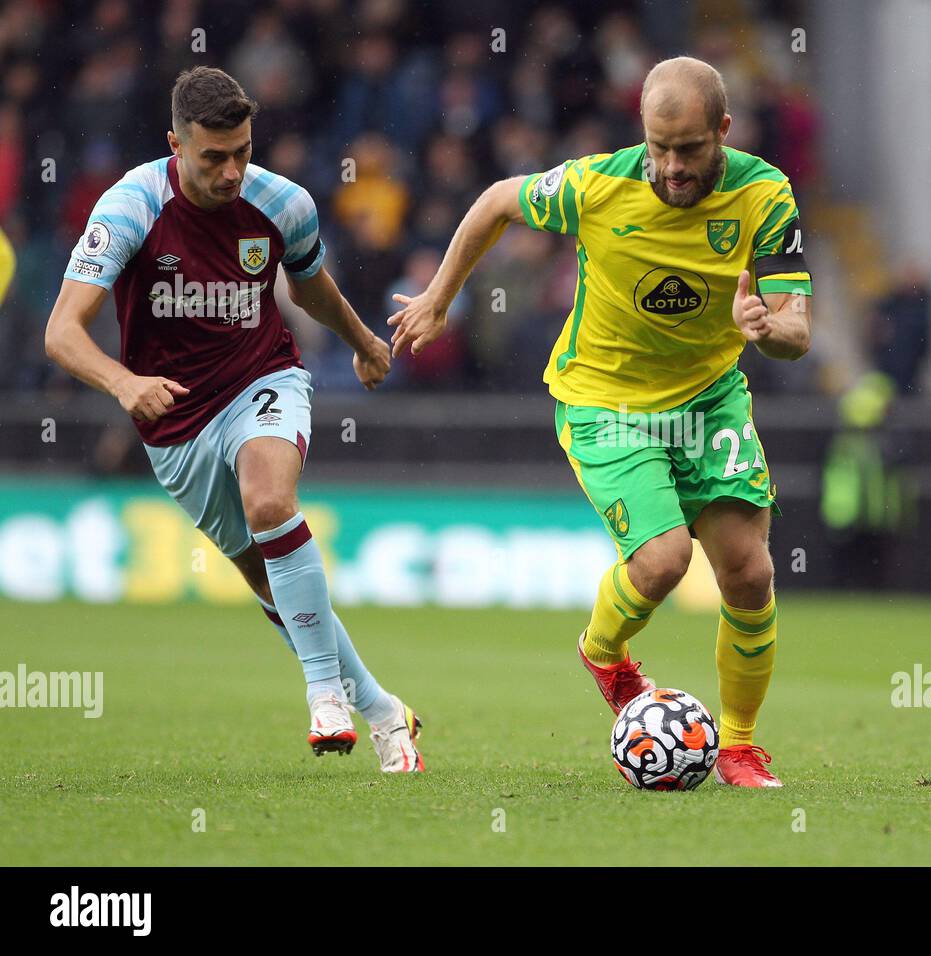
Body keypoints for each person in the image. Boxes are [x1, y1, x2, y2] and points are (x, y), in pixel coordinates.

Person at [388, 56, 813, 786]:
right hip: (607, 401)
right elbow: (494, 200)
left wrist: (765, 329)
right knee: (663, 561)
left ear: (724, 129)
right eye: (660, 147)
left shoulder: (765, 193)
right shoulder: (596, 184)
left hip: (709, 399)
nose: (673, 167)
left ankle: (739, 746)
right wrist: (438, 296)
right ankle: (603, 652)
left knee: (749, 573)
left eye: (691, 149)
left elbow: (798, 327)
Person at [44, 67, 425, 770]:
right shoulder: (129, 206)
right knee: (265, 575)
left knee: (270, 499)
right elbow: (62, 332)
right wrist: (123, 383)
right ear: (175, 145)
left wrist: (366, 343)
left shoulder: (285, 204)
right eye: (212, 157)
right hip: (173, 419)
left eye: (242, 153)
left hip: (263, 379)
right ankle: (381, 708)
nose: (230, 172)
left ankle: (323, 696)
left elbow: (311, 291)